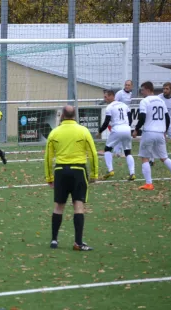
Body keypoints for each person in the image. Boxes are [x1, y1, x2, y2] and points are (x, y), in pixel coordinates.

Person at [44, 106, 98, 251]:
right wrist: (94, 174)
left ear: (61, 115)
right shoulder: (83, 131)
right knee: (78, 205)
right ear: (75, 115)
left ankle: (54, 240)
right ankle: (78, 243)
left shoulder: (54, 133)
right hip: (78, 171)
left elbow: (48, 157)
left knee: (58, 206)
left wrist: (49, 176)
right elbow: (93, 154)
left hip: (60, 171)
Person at [132, 81, 171, 190]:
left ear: (147, 89)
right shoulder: (161, 101)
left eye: (142, 90)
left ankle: (149, 184)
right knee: (164, 158)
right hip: (160, 133)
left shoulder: (145, 101)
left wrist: (136, 129)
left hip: (149, 132)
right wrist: (164, 131)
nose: (141, 92)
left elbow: (142, 117)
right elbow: (167, 118)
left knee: (144, 158)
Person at [97, 89, 136, 181]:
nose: (105, 99)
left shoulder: (109, 107)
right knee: (128, 152)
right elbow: (130, 119)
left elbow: (106, 122)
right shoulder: (124, 105)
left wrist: (100, 131)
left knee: (107, 149)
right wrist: (126, 127)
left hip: (117, 129)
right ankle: (132, 173)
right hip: (127, 129)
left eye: (106, 97)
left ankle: (110, 170)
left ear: (112, 96)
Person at [112, 80, 133, 157]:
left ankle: (123, 152)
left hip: (127, 116)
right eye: (126, 85)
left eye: (128, 85)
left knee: (126, 134)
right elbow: (114, 103)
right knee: (119, 133)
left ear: (131, 86)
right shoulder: (120, 93)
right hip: (120, 116)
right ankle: (117, 151)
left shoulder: (130, 94)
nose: (127, 86)